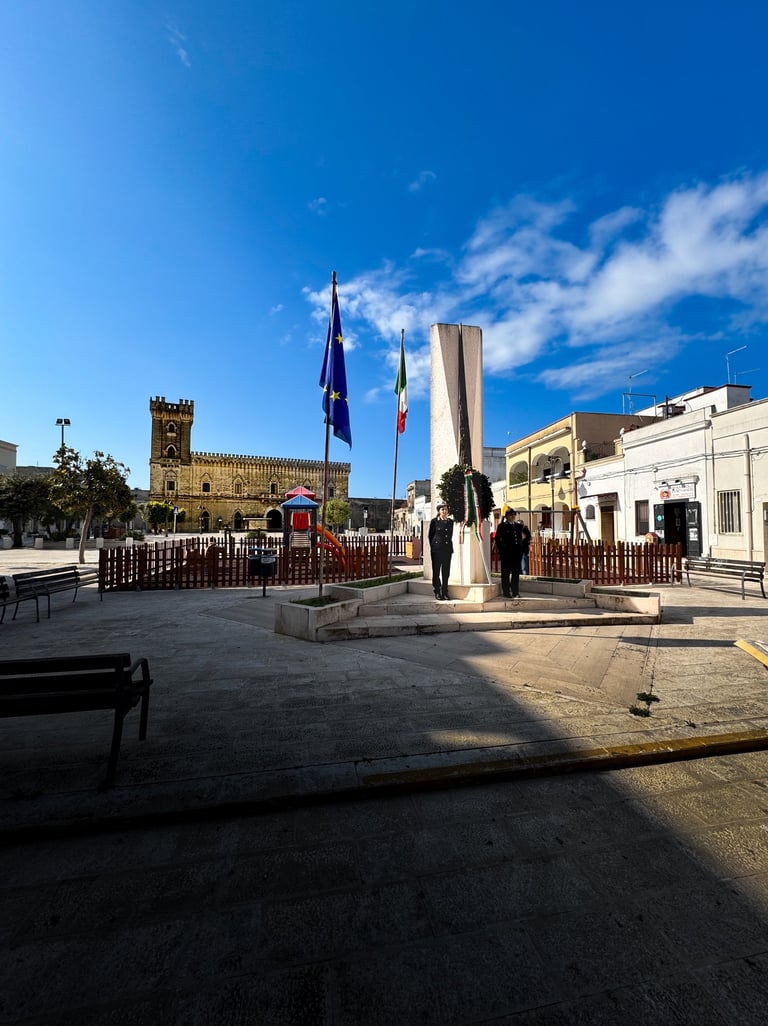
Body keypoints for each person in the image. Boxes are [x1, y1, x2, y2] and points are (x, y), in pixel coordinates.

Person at [494, 507, 524, 598]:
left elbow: (520, 539)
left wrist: (521, 549)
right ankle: (506, 592)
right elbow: (497, 539)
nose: (513, 516)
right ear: (507, 516)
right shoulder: (502, 526)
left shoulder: (518, 526)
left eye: (514, 515)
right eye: (511, 515)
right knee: (506, 574)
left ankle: (515, 592)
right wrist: (502, 550)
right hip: (506, 554)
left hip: (516, 554)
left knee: (515, 574)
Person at [428, 502, 454, 600]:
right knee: (436, 571)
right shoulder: (434, 522)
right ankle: (437, 591)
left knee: (446, 572)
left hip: (447, 549)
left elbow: (450, 535)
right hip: (436, 549)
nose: (444, 511)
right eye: (442, 509)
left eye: (446, 509)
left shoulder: (450, 522)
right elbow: (430, 536)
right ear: (439, 511)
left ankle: (445, 591)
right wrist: (434, 546)